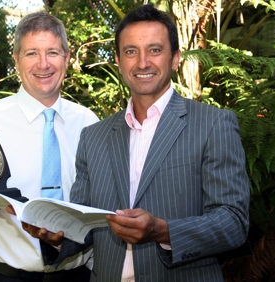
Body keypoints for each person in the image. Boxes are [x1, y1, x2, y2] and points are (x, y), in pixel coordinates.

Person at [22, 3, 250, 282]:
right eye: (131, 52)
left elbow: (233, 222)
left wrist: (163, 231)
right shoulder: (94, 136)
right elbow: (83, 227)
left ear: (175, 58)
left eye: (155, 50)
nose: (143, 62)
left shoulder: (213, 124)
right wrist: (56, 237)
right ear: (118, 61)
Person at [0, 11, 99, 282]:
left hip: (77, 276)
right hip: (0, 276)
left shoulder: (90, 123)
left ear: (67, 58)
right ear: (16, 60)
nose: (43, 64)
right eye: (32, 53)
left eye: (53, 53)